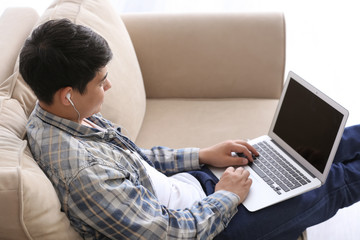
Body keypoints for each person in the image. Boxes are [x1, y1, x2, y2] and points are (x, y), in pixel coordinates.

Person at [20, 19, 360, 240]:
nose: (108, 88)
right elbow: (167, 234)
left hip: (200, 191)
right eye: (101, 81)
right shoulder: (83, 174)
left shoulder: (60, 114)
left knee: (323, 146)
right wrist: (227, 196)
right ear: (68, 95)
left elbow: (136, 161)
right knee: (335, 181)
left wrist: (201, 156)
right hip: (213, 227)